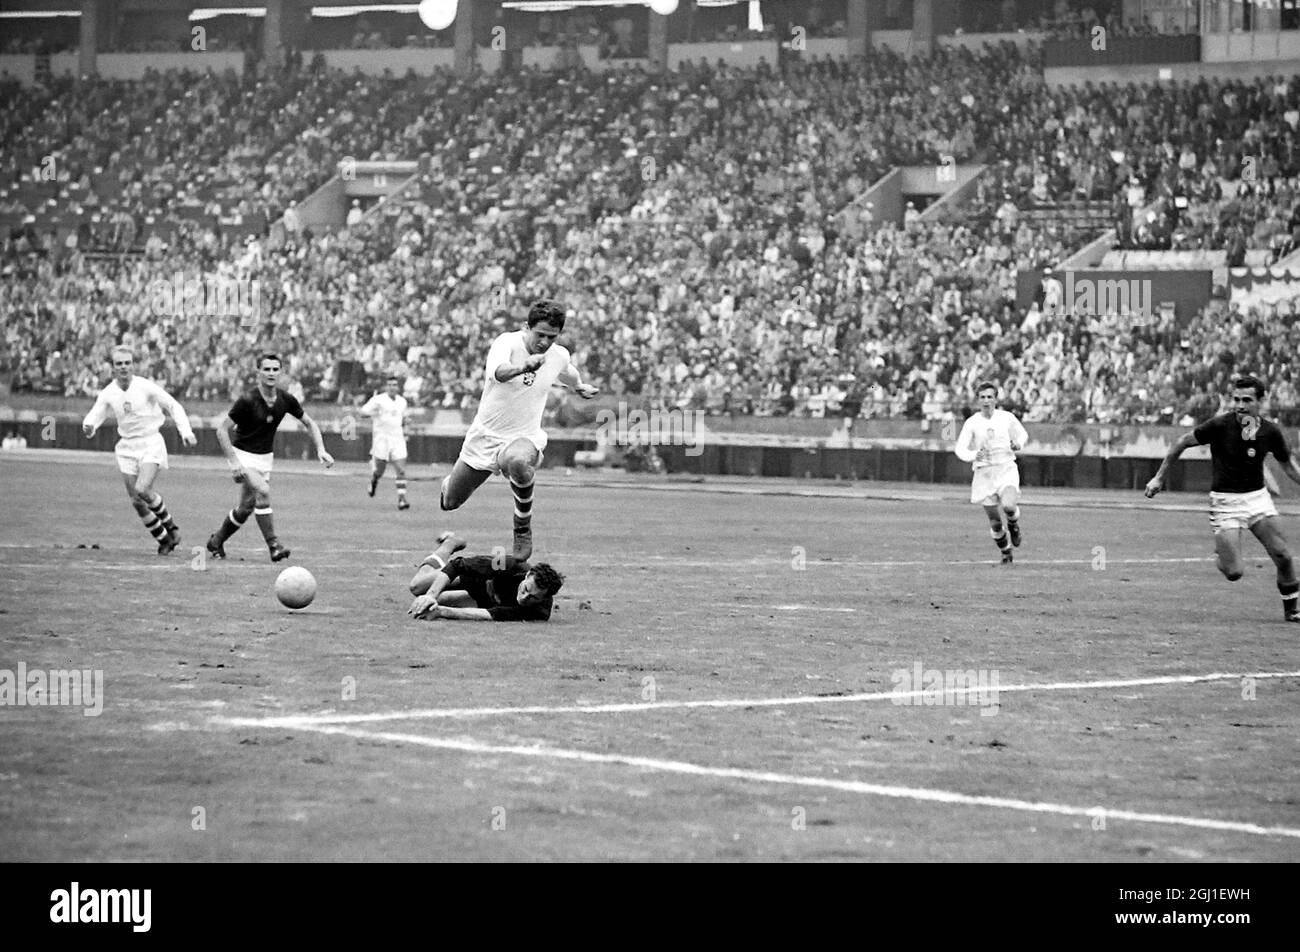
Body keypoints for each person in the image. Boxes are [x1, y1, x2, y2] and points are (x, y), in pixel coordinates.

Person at [439, 300, 598, 560]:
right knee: (451, 502)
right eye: (540, 335)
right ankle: (449, 484)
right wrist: (524, 367)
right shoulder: (507, 343)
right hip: (485, 436)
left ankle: (522, 527)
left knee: (518, 461)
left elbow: (566, 371)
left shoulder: (558, 355)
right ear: (527, 327)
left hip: (524, 437)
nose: (544, 342)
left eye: (551, 337)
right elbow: (499, 373)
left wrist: (579, 386)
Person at [1145, 374, 1300, 622]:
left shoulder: (1270, 432)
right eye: (1236, 399)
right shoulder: (1219, 426)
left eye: (1247, 400)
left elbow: (1288, 466)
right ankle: (1222, 555)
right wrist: (1158, 478)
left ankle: (1292, 610)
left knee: (1283, 555)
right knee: (1234, 572)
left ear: (1261, 401)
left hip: (1257, 499)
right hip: (1225, 503)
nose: (1240, 405)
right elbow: (1182, 442)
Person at [206, 353, 334, 562]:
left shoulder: (285, 399)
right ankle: (274, 546)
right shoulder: (247, 400)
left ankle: (216, 541)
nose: (271, 373)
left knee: (246, 508)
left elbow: (310, 423)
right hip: (243, 456)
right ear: (258, 372)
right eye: (266, 369)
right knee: (263, 492)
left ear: (280, 372)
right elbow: (222, 430)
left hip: (265, 459)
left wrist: (321, 449)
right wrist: (234, 463)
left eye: (275, 369)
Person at [81, 346, 197, 554]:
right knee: (136, 501)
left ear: (133, 365)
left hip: (150, 442)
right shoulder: (108, 393)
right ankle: (163, 539)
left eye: (127, 363)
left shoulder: (145, 386)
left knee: (142, 489)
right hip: (126, 447)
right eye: (119, 363)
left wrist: (186, 432)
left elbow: (173, 405)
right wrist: (88, 426)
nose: (124, 367)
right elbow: (95, 414)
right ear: (113, 367)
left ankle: (171, 527)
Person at [407, 532, 564, 622]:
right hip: (475, 578)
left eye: (533, 597)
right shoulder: (508, 564)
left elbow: (492, 614)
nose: (524, 598)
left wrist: (441, 611)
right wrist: (430, 595)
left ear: (544, 598)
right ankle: (450, 543)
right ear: (527, 575)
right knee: (417, 587)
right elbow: (457, 565)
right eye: (526, 589)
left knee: (435, 603)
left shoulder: (539, 612)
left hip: (483, 599)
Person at [954, 381, 1029, 564]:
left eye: (989, 397)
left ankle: (1013, 525)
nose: (986, 400)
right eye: (982, 397)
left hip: (1006, 468)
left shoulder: (1006, 417)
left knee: (1009, 506)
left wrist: (1018, 444)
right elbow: (960, 448)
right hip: (984, 474)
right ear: (978, 400)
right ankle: (1005, 550)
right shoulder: (972, 423)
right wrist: (974, 455)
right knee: (995, 522)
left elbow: (1023, 434)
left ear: (996, 399)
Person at [359, 373, 411, 509]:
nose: (392, 387)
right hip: (381, 439)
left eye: (394, 385)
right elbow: (362, 412)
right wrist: (373, 413)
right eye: (390, 385)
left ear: (398, 387)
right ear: (386, 387)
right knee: (380, 470)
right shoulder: (378, 400)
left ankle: (402, 499)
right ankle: (374, 480)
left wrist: (407, 427)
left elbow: (404, 419)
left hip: (398, 438)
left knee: (401, 470)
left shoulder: (402, 401)